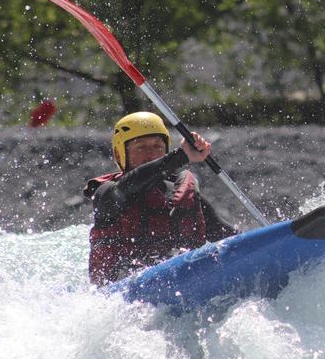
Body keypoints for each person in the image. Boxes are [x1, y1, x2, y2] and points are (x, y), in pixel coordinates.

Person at [83, 112, 238, 286]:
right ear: (120, 155)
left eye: (158, 146)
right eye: (141, 147)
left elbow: (229, 238)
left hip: (184, 284)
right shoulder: (106, 193)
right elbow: (129, 185)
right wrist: (181, 155)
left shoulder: (181, 192)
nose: (151, 154)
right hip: (121, 296)